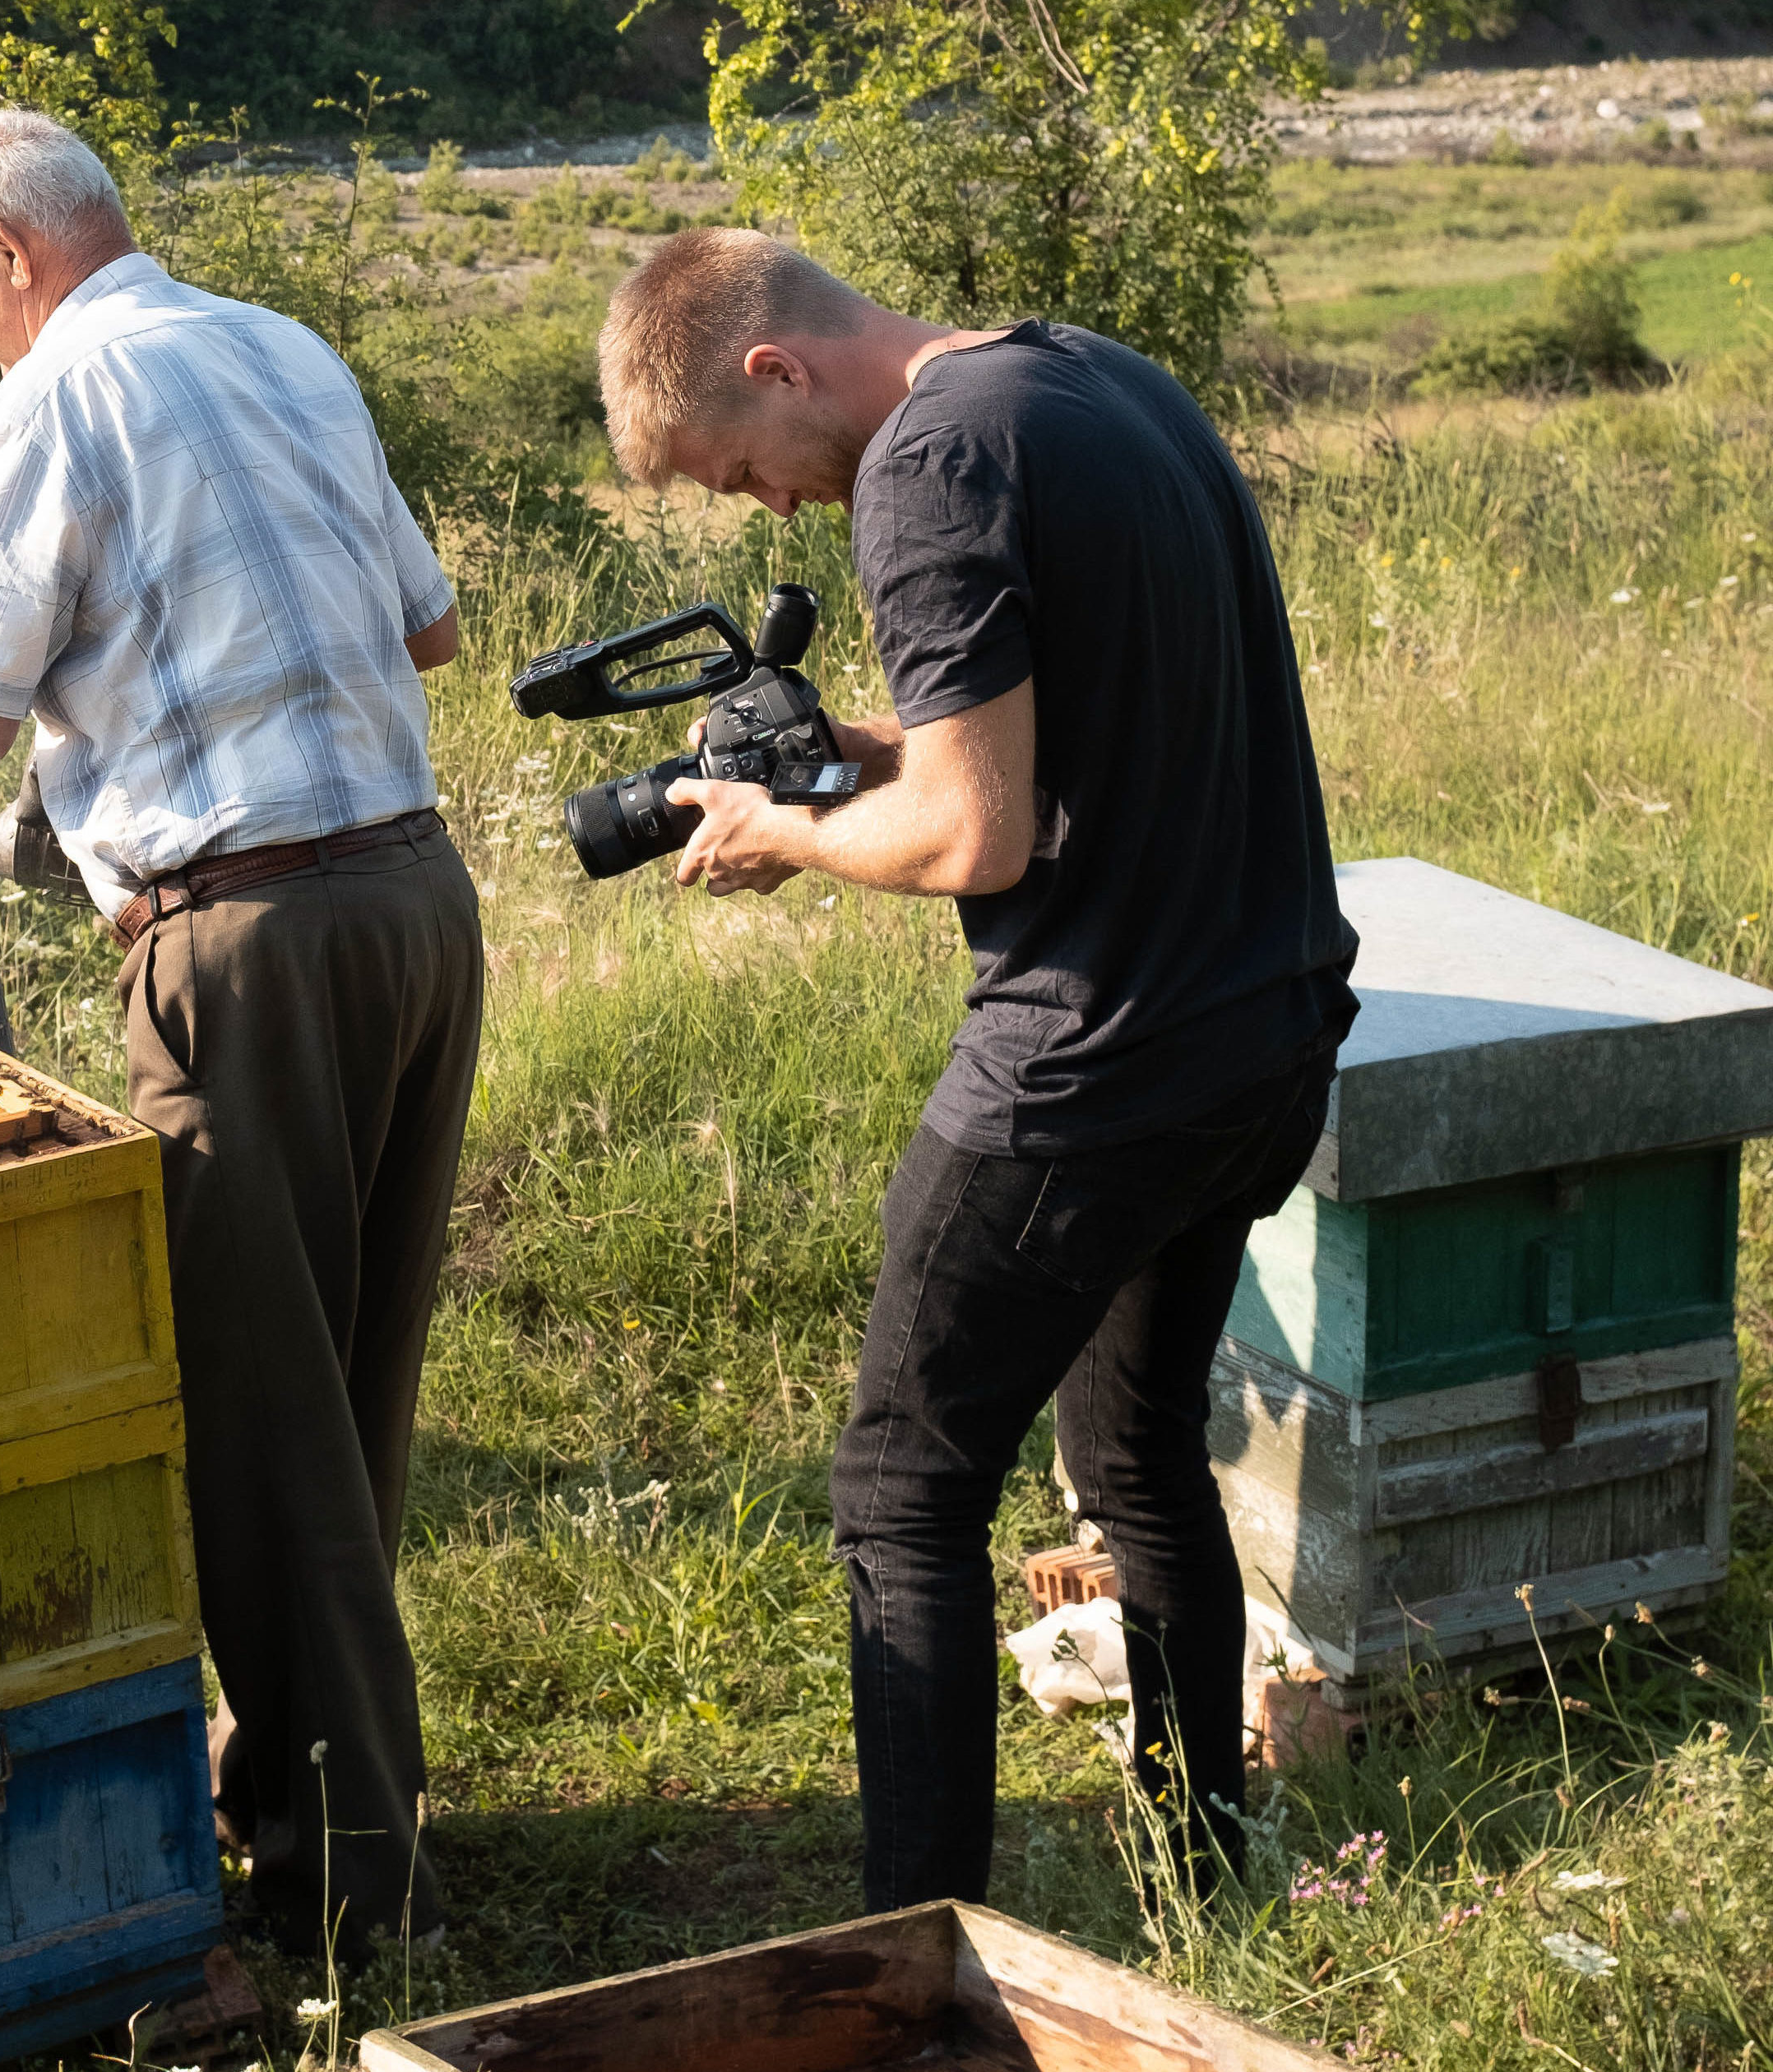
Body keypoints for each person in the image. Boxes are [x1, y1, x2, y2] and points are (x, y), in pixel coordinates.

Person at [0, 108, 479, 1959]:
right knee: (345, 1399)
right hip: (416, 909)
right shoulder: (283, 345)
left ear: (12, 256)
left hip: (249, 954)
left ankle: (348, 1901)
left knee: (254, 1424)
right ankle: (308, 1783)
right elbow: (423, 635)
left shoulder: (51, 399)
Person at [595, 229, 1360, 1909]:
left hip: (1090, 1071)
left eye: (744, 472)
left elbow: (976, 832)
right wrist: (861, 750)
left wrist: (773, 836)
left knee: (899, 1490)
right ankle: (1198, 1866)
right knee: (1141, 1457)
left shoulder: (924, 466)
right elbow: (1064, 725)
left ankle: (911, 1943)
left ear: (771, 367)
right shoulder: (1093, 381)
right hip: (1263, 1032)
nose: (771, 512)